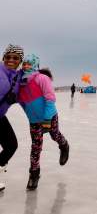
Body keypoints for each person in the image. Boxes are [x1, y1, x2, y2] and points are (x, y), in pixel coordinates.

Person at [18, 54, 69, 191]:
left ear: (35, 65)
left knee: (54, 135)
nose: (26, 66)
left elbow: (50, 98)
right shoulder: (20, 82)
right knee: (36, 147)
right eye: (24, 64)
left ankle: (64, 146)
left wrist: (47, 119)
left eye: (29, 64)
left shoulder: (42, 78)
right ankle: (34, 174)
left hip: (49, 116)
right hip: (34, 120)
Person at [0, 44, 24, 192]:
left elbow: (32, 74)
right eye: (8, 57)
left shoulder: (17, 75)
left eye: (15, 58)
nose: (11, 60)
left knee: (11, 145)